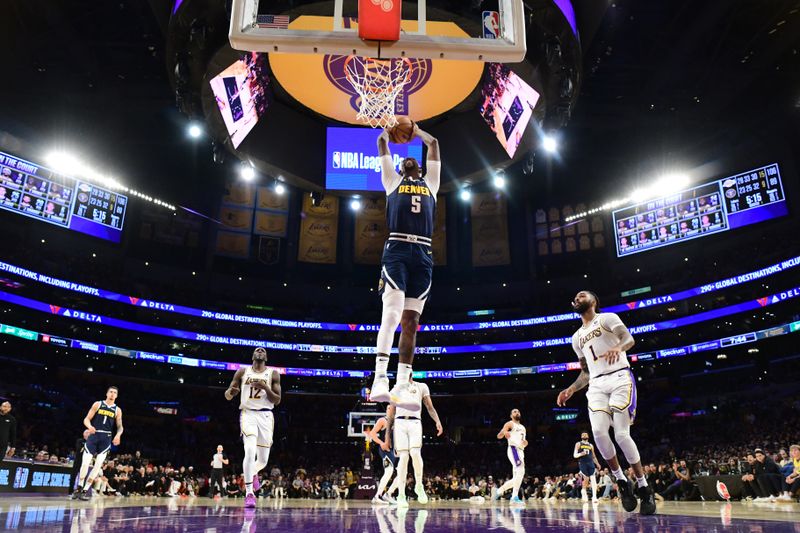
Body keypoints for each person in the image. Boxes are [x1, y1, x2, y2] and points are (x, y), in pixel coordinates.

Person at [557, 291, 656, 515]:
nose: (578, 297)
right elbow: (585, 373)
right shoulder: (576, 338)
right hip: (596, 385)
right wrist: (571, 388)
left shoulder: (608, 318)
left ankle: (643, 486)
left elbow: (629, 339)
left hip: (620, 376)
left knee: (621, 435)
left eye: (583, 295)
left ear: (594, 301)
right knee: (599, 433)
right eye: (576, 297)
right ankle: (622, 482)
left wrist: (618, 348)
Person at [369, 124, 440, 411]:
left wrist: (416, 130)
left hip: (423, 252)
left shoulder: (431, 183)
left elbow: (433, 142)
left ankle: (401, 385)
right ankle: (379, 380)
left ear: (421, 168)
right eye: (404, 159)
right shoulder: (392, 181)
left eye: (414, 159)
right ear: (399, 166)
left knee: (411, 323)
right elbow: (380, 141)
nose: (408, 159)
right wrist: (389, 131)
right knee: (393, 313)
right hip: (397, 249)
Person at [225, 347, 282, 508]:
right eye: (257, 350)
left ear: (266, 357)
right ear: (252, 356)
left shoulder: (273, 374)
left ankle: (253, 472)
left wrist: (265, 387)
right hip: (248, 414)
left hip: (265, 416)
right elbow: (227, 396)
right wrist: (231, 392)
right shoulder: (242, 372)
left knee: (263, 460)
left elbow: (277, 400)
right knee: (249, 450)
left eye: (263, 351)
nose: (259, 351)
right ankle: (249, 493)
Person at [389, 378, 443, 507]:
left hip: (415, 422)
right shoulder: (396, 388)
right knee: (403, 457)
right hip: (400, 422)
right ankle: (401, 494)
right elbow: (391, 412)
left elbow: (430, 407)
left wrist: (437, 421)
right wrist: (386, 436)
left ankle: (419, 485)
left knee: (415, 453)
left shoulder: (421, 386)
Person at [75, 386, 124, 500]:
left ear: (116, 396)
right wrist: (89, 426)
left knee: (97, 466)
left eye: (114, 393)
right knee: (85, 463)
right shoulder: (98, 404)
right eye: (111, 392)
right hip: (94, 435)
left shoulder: (117, 410)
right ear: (107, 393)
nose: (112, 394)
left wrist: (118, 435)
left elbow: (120, 427)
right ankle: (79, 487)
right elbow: (86, 419)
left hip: (106, 438)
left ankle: (85, 489)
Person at [493, 408, 528, 505]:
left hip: (521, 451)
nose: (517, 412)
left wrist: (525, 443)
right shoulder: (509, 424)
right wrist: (505, 433)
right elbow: (499, 436)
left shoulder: (523, 427)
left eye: (518, 411)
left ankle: (499, 491)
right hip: (513, 450)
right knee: (521, 470)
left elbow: (524, 441)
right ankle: (514, 497)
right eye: (514, 411)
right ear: (511, 415)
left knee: (517, 477)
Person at [366, 404, 399, 504]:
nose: (391, 409)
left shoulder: (397, 422)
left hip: (396, 451)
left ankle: (388, 494)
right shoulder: (382, 420)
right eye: (389, 408)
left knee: (402, 473)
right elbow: (372, 433)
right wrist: (381, 443)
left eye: (393, 408)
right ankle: (377, 496)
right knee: (389, 471)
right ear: (386, 410)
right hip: (385, 450)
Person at [573, 431, 602, 503]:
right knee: (586, 478)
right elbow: (575, 455)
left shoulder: (591, 445)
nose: (584, 435)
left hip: (590, 463)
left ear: (588, 436)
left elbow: (594, 456)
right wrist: (581, 454)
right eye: (583, 434)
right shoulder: (578, 444)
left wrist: (597, 464)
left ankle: (594, 497)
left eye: (586, 434)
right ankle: (583, 491)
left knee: (593, 479)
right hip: (582, 463)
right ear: (581, 437)